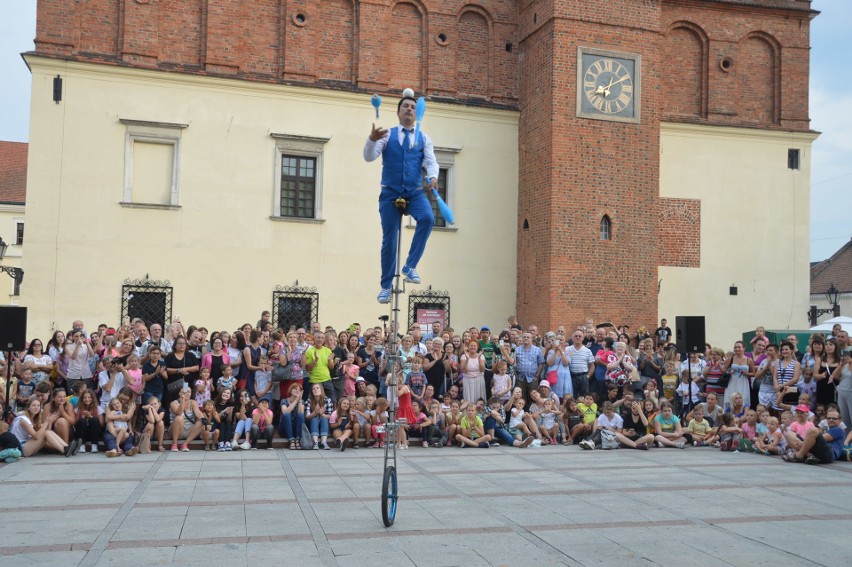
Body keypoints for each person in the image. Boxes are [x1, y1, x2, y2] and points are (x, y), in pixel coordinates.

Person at [363, 93, 439, 303]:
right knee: (390, 237)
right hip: (390, 192)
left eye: (412, 107)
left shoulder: (423, 138)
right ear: (398, 112)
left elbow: (431, 162)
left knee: (428, 219)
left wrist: (432, 177)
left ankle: (410, 266)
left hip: (414, 192)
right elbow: (369, 157)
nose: (408, 109)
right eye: (405, 106)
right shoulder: (387, 135)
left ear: (417, 113)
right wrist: (371, 140)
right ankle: (386, 286)